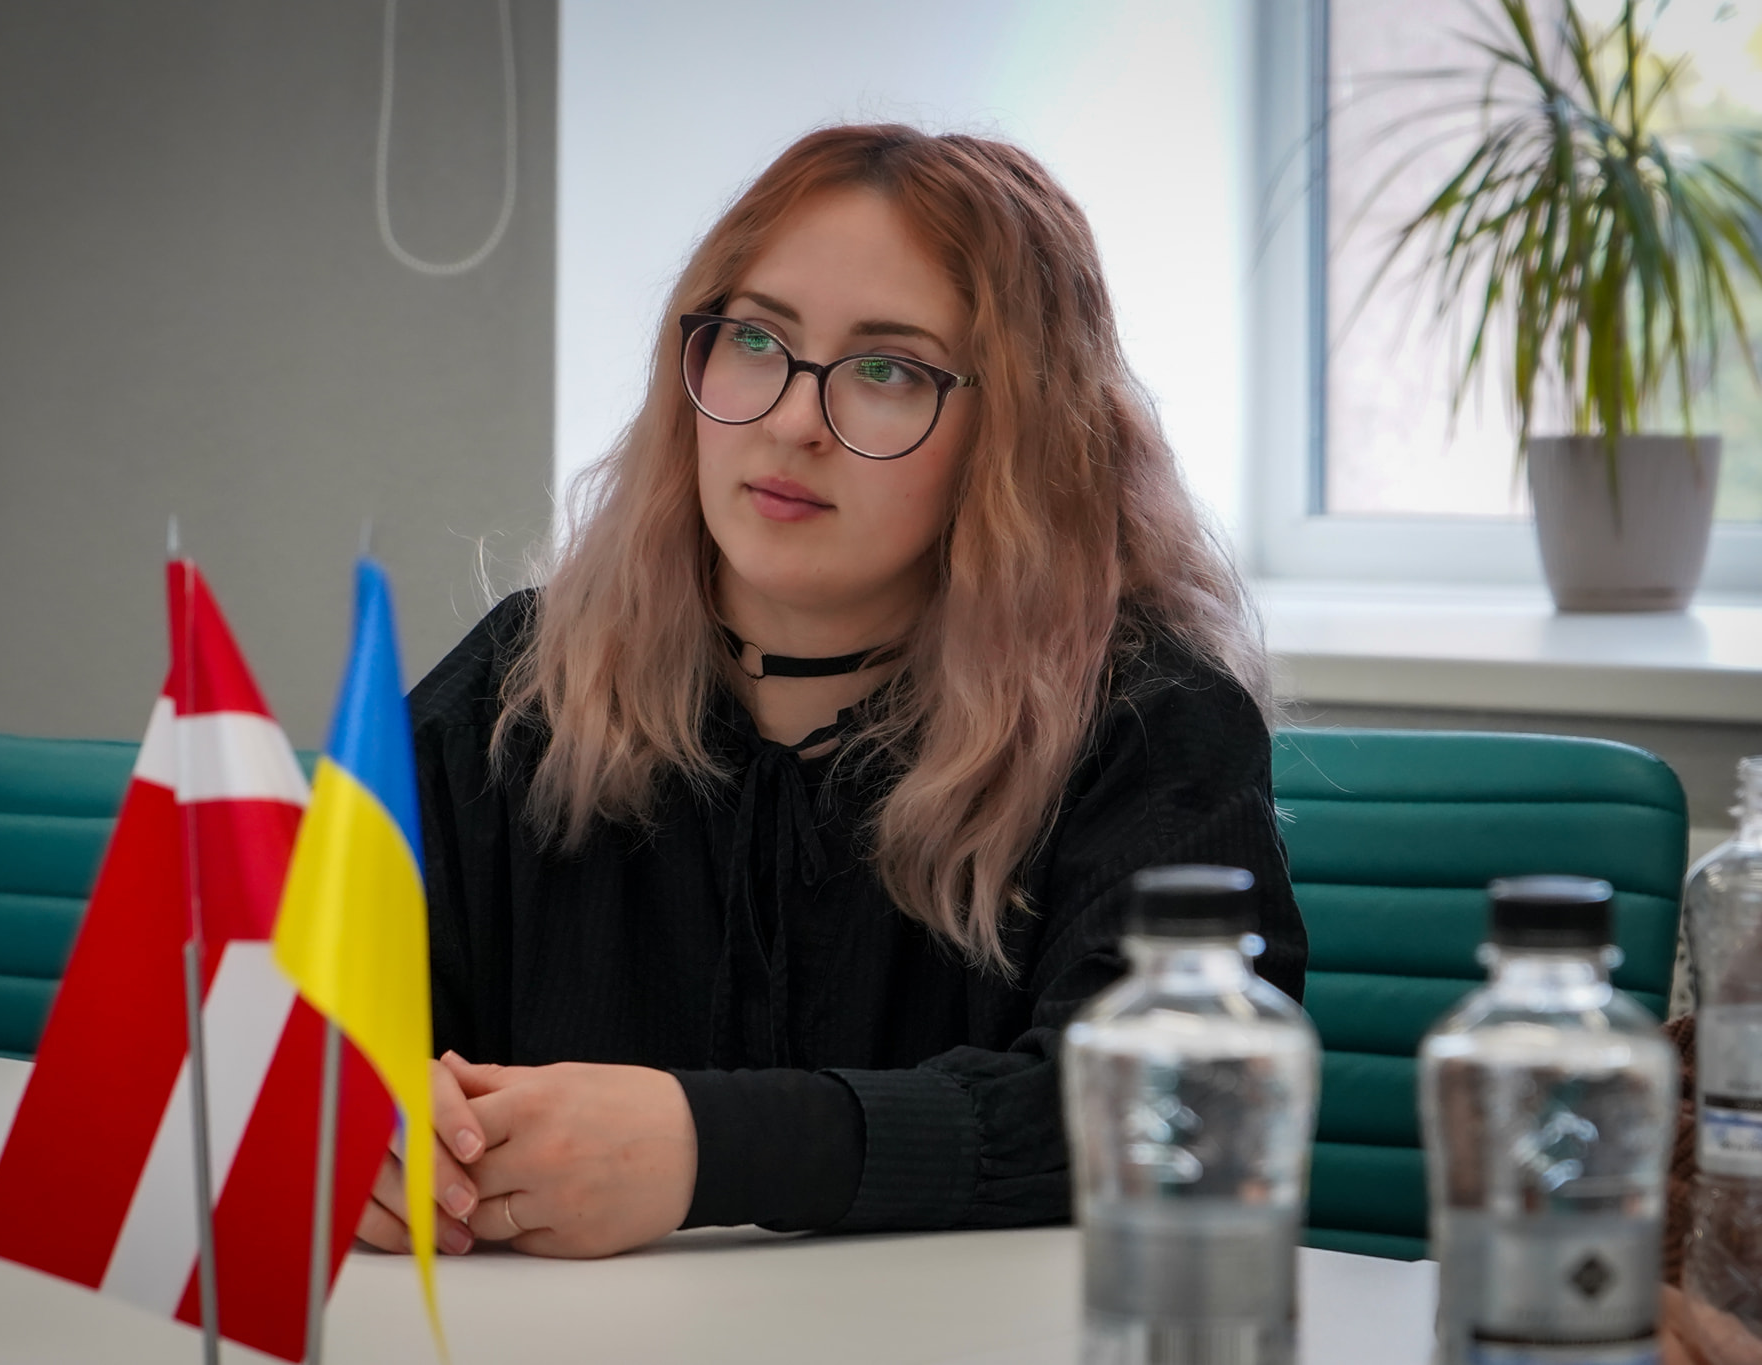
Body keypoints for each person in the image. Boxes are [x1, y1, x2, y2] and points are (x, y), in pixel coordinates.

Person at [356, 124, 1308, 1260]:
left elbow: (1182, 1105)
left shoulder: (1146, 723)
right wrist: (366, 1123)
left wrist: (710, 1149)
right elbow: (307, 1026)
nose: (792, 420)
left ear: (1016, 432)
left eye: (887, 369)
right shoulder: (520, 687)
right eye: (756, 339)